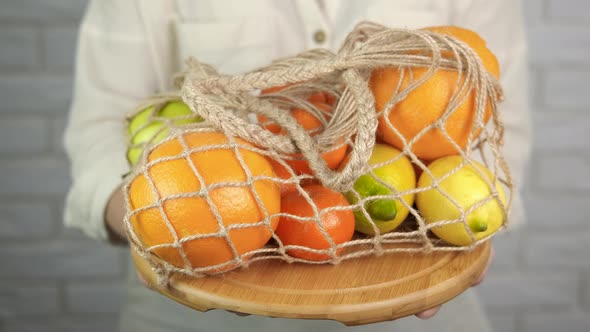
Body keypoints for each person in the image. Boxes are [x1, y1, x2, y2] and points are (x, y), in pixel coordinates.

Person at [63, 1, 531, 331]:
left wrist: (456, 227)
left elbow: (500, 118)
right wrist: (169, 222)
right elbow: (99, 132)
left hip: (411, 302)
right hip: (189, 315)